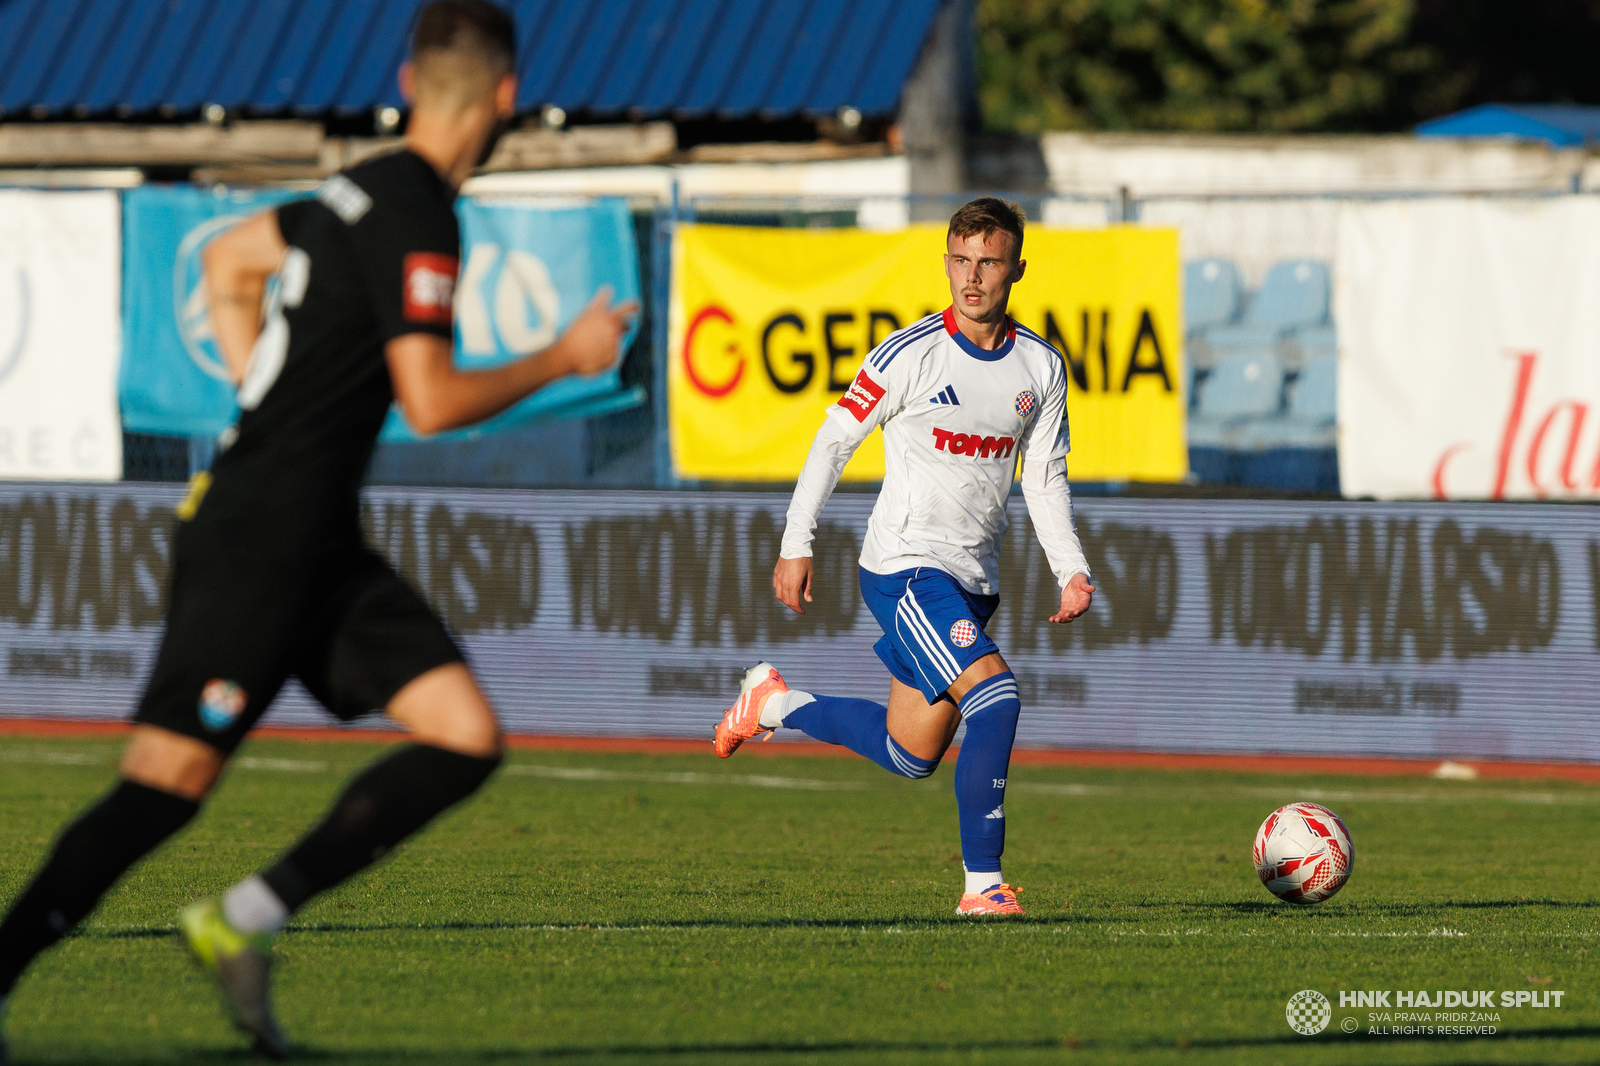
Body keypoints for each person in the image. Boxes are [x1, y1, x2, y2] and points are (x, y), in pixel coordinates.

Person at [0, 2, 635, 1059]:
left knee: (464, 734)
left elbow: (228, 263)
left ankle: (245, 918)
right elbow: (428, 400)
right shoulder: (417, 209)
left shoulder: (352, 190)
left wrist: (259, 394)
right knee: (164, 786)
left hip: (314, 537)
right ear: (508, 97)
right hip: (262, 539)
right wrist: (564, 359)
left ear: (408, 80)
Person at [713, 197, 1094, 917]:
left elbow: (1044, 479)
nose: (971, 277)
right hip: (905, 568)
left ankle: (773, 702)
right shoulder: (908, 355)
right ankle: (982, 887)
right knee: (997, 698)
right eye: (960, 260)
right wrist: (797, 542)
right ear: (945, 262)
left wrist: (1070, 568)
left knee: (910, 754)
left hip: (973, 578)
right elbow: (833, 441)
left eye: (988, 262)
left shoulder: (1041, 368)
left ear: (1016, 269)